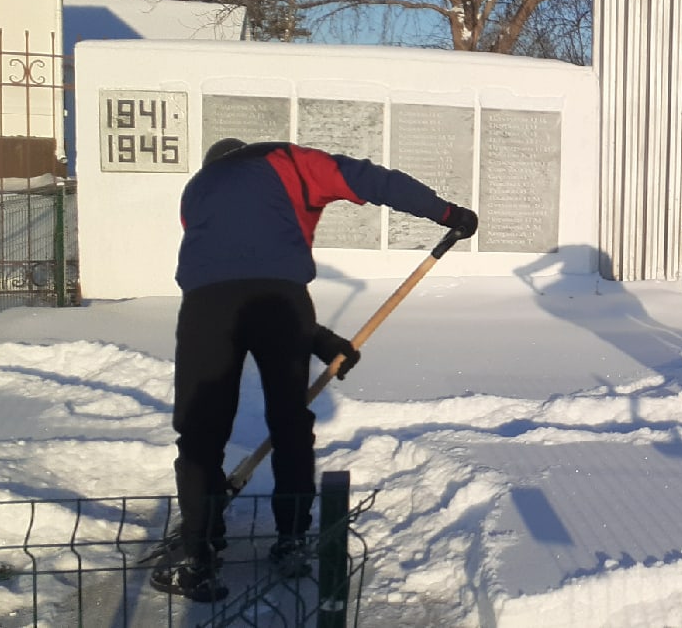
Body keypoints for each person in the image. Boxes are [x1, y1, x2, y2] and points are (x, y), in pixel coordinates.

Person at [152, 137, 478, 602]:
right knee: (289, 425)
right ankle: (291, 544)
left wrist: (322, 341)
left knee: (200, 434)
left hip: (205, 307)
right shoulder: (288, 161)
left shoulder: (197, 189)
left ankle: (197, 557)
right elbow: (372, 181)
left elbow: (234, 278)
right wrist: (447, 214)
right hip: (282, 304)